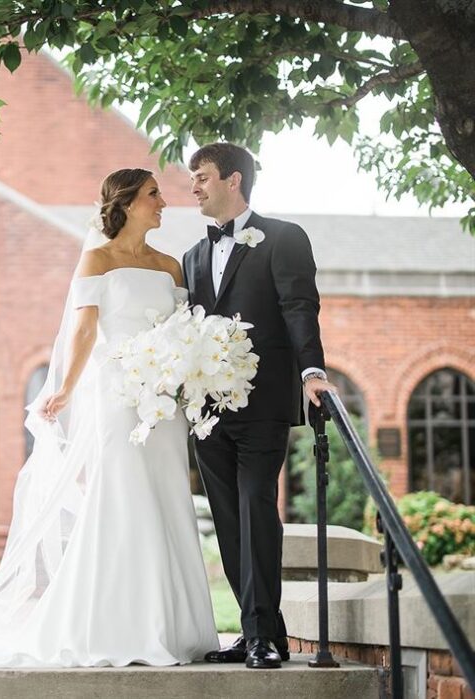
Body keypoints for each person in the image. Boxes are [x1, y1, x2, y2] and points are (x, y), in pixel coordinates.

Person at [0, 168, 219, 668]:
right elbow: (83, 332)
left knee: (167, 498)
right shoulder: (96, 259)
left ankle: (176, 629)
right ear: (126, 202)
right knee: (123, 498)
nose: (164, 201)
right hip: (119, 401)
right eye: (153, 194)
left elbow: (183, 328)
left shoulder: (171, 267)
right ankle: (113, 625)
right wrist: (65, 390)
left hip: (163, 407)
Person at [181, 143, 336, 670]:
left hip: (263, 403)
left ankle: (262, 637)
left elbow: (299, 306)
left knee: (255, 510)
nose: (194, 187)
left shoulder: (285, 238)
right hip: (208, 411)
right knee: (228, 522)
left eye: (201, 177)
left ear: (233, 180)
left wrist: (312, 371)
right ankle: (259, 634)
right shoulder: (193, 256)